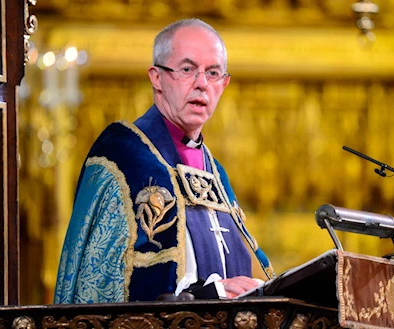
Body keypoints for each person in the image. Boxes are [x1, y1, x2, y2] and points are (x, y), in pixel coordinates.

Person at [54, 18, 275, 304]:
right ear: (157, 78)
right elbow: (103, 283)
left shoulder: (214, 172)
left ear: (224, 84)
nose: (202, 84)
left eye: (213, 73)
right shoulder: (122, 156)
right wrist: (211, 295)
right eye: (187, 69)